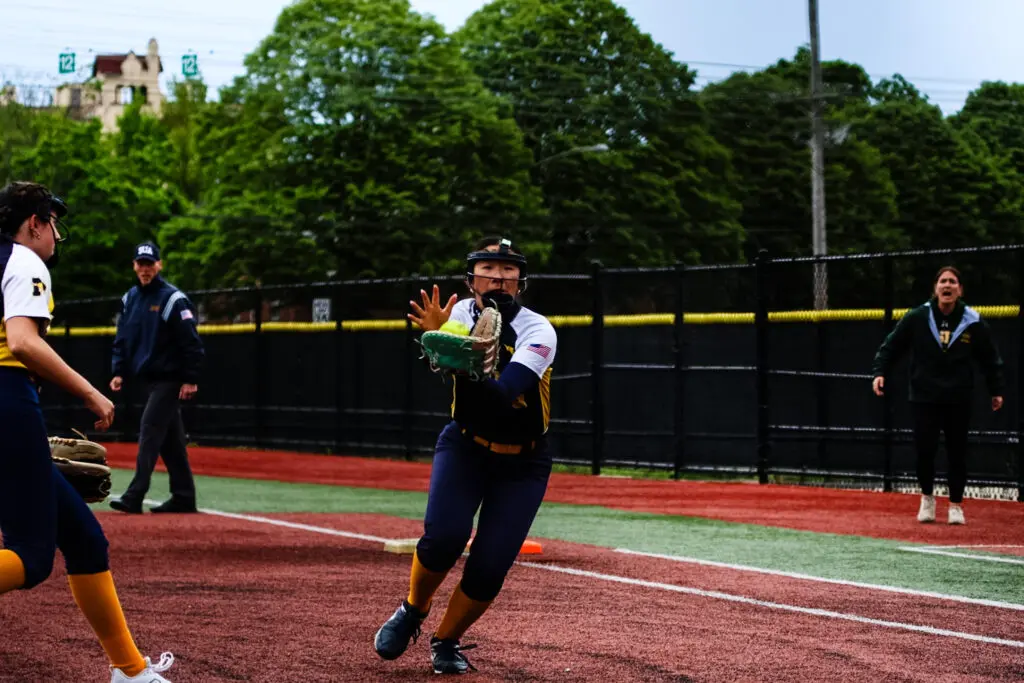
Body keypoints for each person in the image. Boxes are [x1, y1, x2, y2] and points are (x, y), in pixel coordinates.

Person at [0, 181, 175, 682]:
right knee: (32, 559)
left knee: (84, 540)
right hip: (8, 401)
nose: (56, 232)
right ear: (33, 222)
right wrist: (92, 394)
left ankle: (131, 671)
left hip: (9, 407)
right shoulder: (24, 260)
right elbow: (23, 343)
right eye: (51, 221)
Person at [373, 236, 557, 675]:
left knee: (490, 565)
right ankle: (413, 610)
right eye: (488, 268)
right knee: (445, 537)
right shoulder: (458, 315)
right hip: (466, 446)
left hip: (523, 463)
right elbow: (443, 366)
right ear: (470, 278)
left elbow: (503, 393)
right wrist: (441, 339)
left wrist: (460, 356)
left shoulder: (538, 329)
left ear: (521, 281)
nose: (498, 276)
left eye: (508, 270)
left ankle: (447, 641)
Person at [871, 265, 1005, 525]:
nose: (947, 286)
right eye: (943, 281)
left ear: (960, 289)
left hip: (959, 397)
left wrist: (996, 389)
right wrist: (880, 372)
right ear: (935, 288)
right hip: (925, 396)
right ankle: (927, 498)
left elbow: (990, 359)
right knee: (925, 450)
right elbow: (891, 346)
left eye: (952, 282)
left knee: (957, 452)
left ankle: (956, 505)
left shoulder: (973, 321)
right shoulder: (918, 317)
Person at [108, 241, 204, 514]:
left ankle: (135, 495)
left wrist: (190, 377)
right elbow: (122, 338)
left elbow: (191, 342)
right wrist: (118, 371)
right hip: (149, 379)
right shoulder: (130, 298)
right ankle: (184, 496)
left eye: (150, 264)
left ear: (159, 265)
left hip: (170, 378)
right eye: (141, 264)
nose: (145, 269)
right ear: (134, 266)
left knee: (150, 428)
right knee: (171, 441)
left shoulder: (173, 299)